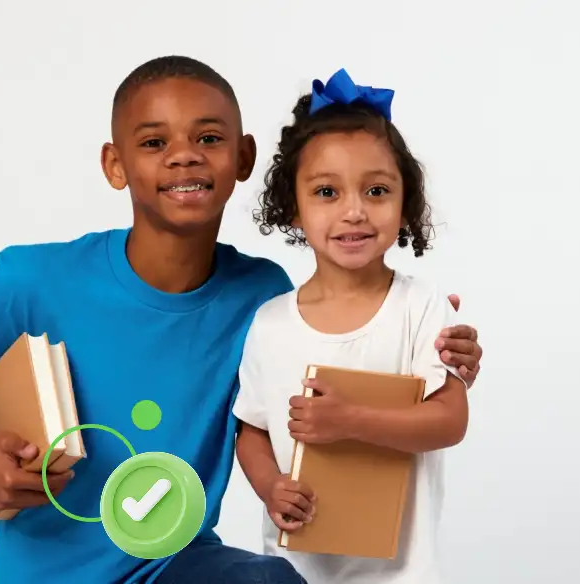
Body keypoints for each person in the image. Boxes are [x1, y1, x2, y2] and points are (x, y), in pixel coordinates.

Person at [0, 57, 485, 584]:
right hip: (47, 572)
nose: (184, 155)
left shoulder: (262, 299)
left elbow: (326, 371)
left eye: (209, 137)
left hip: (178, 565)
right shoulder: (39, 279)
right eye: (154, 142)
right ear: (115, 164)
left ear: (244, 159)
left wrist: (431, 347)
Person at [232, 68, 468, 583]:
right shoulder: (271, 324)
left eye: (377, 190)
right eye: (327, 193)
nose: (355, 211)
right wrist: (272, 486)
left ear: (404, 203)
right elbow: (251, 429)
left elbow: (449, 420)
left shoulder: (421, 306)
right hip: (295, 570)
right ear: (293, 209)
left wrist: (350, 423)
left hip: (403, 572)